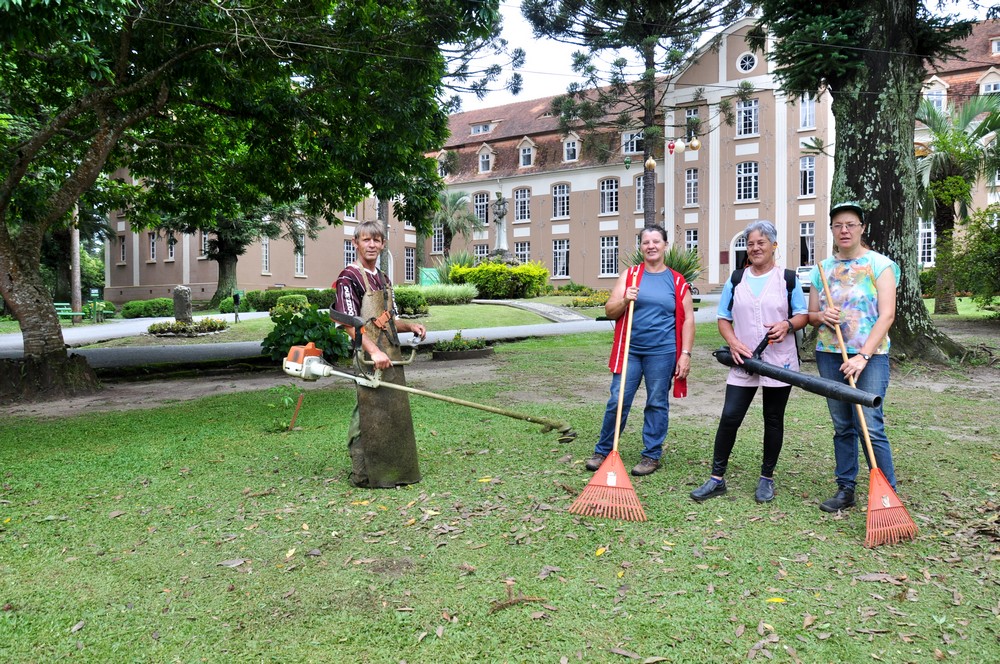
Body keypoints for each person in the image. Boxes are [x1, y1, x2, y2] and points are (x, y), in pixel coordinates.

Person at [690, 221, 808, 503]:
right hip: (742, 360)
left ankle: (766, 478)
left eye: (761, 243)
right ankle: (716, 479)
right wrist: (732, 342)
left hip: (779, 361)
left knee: (773, 419)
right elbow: (723, 318)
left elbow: (802, 315)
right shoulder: (736, 279)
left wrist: (787, 325)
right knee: (730, 417)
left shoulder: (788, 279)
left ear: (774, 246)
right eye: (750, 243)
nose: (755, 248)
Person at [808, 201, 900, 512]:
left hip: (870, 357)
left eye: (850, 225)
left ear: (861, 228)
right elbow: (810, 315)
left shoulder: (880, 265)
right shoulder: (822, 269)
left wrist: (862, 356)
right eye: (838, 226)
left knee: (870, 424)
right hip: (830, 355)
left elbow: (887, 316)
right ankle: (845, 488)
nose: (844, 230)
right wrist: (823, 314)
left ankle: (887, 493)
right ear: (832, 231)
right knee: (842, 425)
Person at [585, 225, 695, 477]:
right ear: (641, 247)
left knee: (656, 402)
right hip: (630, 351)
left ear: (665, 245)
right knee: (617, 400)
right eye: (646, 242)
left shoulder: (677, 281)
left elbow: (688, 319)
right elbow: (609, 311)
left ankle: (651, 455)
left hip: (663, 352)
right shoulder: (631, 276)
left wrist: (685, 354)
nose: (651, 246)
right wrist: (625, 299)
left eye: (656, 241)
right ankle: (603, 450)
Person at [333, 220, 427, 488]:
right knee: (365, 411)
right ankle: (363, 474)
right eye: (366, 240)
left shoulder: (383, 278)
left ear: (383, 244)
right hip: (367, 356)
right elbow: (349, 324)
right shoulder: (348, 277)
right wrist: (373, 351)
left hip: (390, 352)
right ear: (356, 243)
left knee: (393, 409)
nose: (371, 244)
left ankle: (394, 470)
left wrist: (410, 326)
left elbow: (387, 320)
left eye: (376, 240)